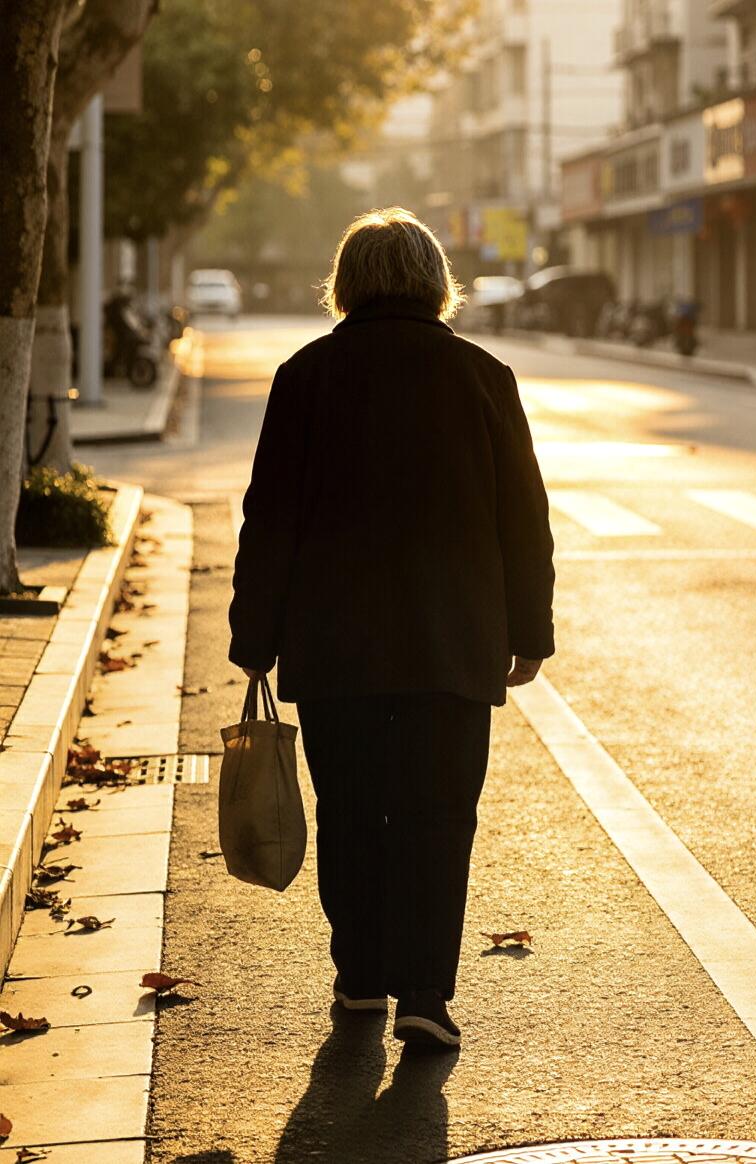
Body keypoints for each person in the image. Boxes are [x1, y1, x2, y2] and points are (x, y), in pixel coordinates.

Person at [229, 207, 555, 1050]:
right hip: (451, 644)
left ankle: (360, 977)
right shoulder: (483, 375)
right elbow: (523, 518)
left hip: (333, 646)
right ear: (434, 281)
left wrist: (254, 637)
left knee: (350, 812)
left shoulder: (305, 376)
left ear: (348, 282)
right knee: (438, 816)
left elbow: (270, 519)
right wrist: (531, 631)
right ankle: (424, 993)